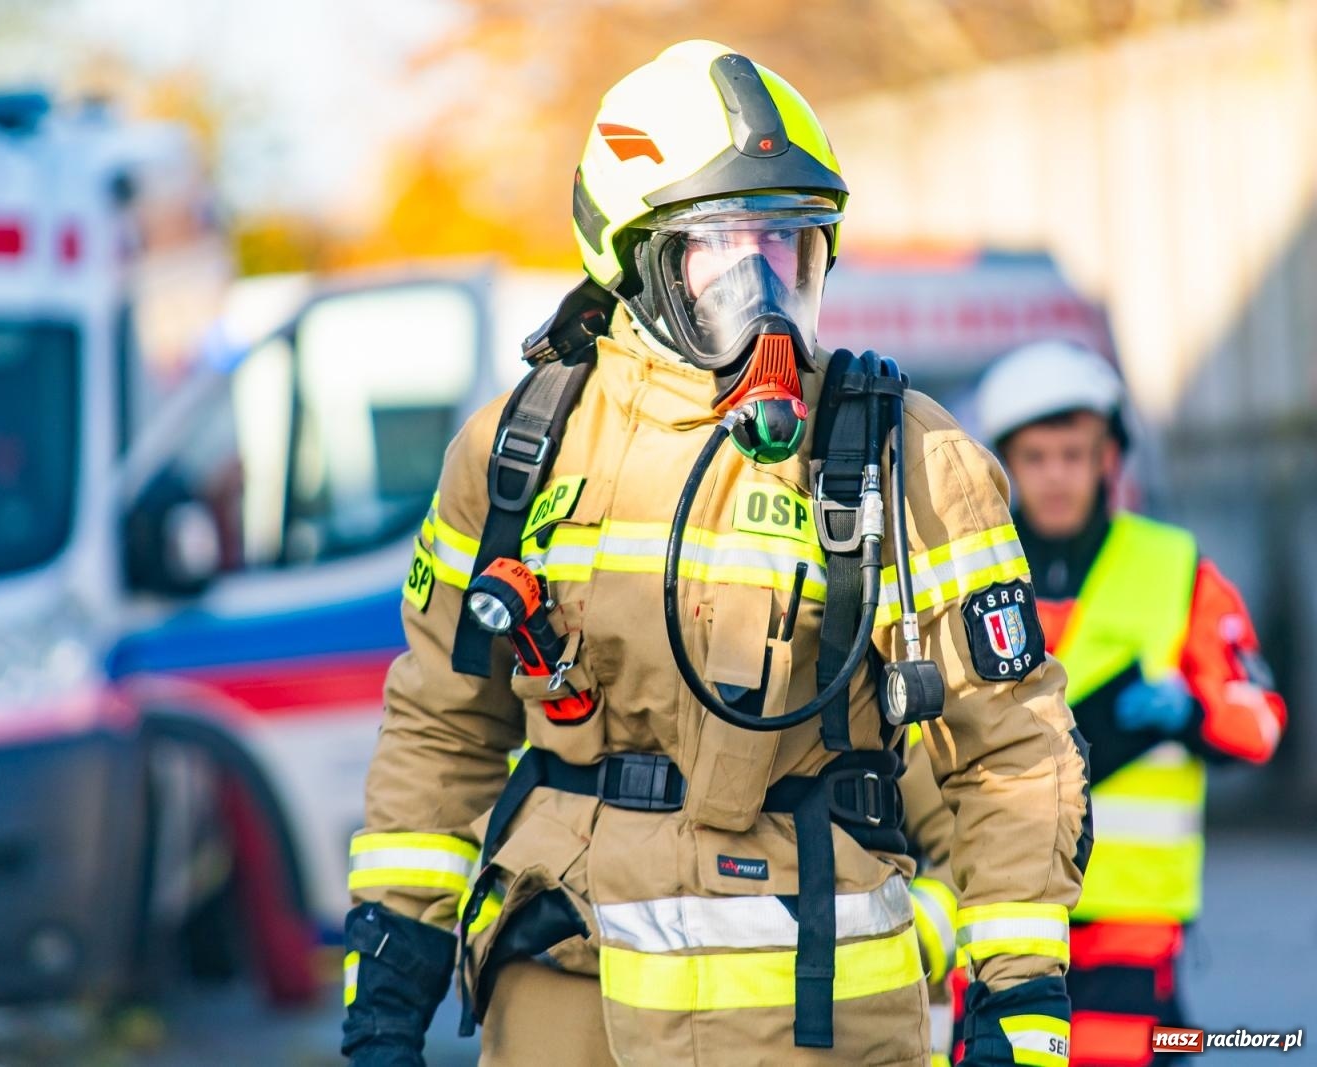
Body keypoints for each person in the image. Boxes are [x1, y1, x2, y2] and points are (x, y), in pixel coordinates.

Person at [342, 40, 1090, 1067]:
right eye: (724, 252)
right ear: (633, 260)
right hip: (565, 1001)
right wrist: (389, 980)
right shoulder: (518, 447)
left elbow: (1008, 749)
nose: (764, 294)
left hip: (811, 1016)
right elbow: (441, 722)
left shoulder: (903, 452)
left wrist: (1020, 1006)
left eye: (788, 251)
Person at [975, 341, 1287, 1067]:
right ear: (1006, 466)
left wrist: (1192, 713)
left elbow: (1262, 719)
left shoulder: (1174, 568)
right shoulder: (967, 575)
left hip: (1131, 927)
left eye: (1074, 455)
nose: (1056, 476)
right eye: (1036, 456)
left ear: (1108, 460)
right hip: (996, 915)